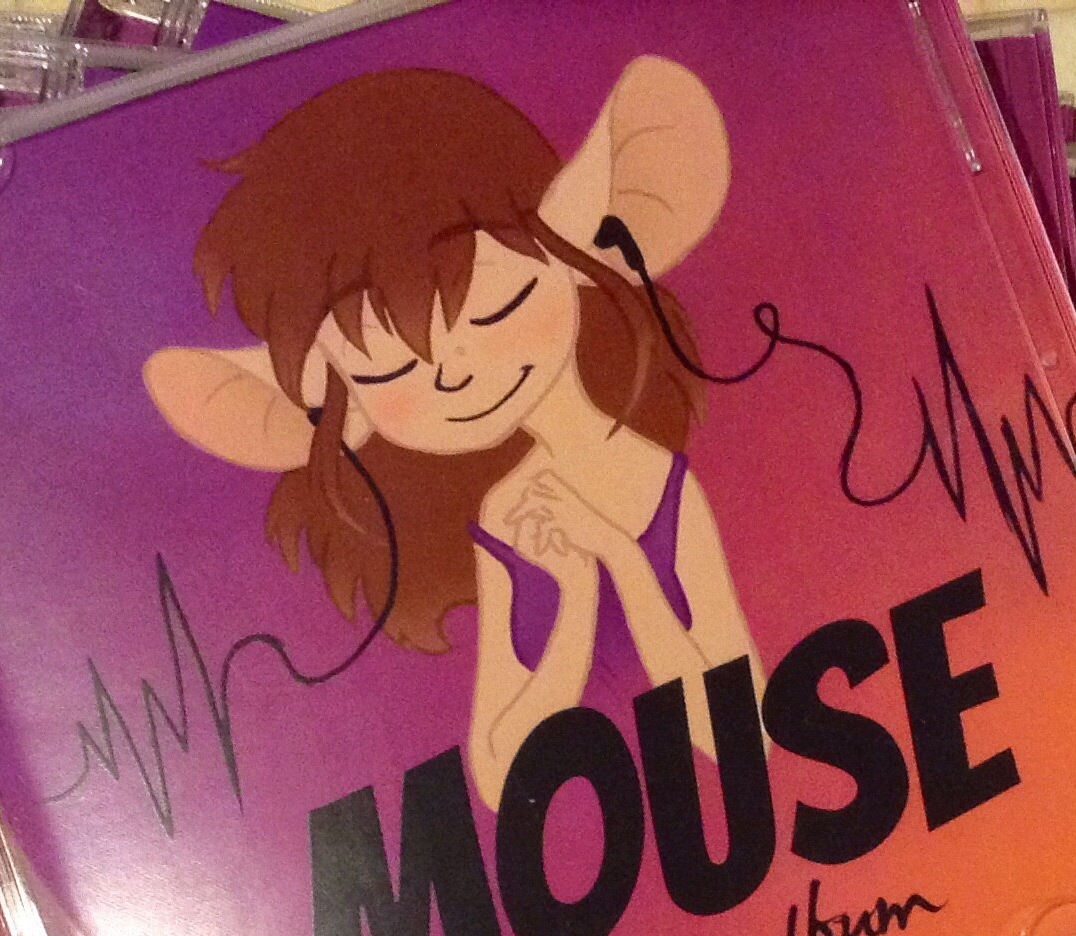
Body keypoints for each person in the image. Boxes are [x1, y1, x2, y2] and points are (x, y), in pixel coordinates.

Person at [145, 59, 761, 806]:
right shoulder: (510, 515)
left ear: (575, 254)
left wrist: (618, 558)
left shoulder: (658, 483)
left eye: (498, 310)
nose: (455, 375)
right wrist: (570, 596)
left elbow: (743, 729)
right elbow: (501, 776)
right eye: (389, 368)